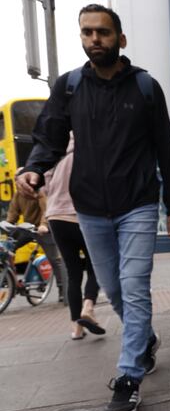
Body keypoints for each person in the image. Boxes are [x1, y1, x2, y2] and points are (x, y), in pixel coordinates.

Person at [16, 4, 170, 411]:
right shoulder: (70, 86)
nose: (95, 39)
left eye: (103, 32)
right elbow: (50, 136)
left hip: (138, 204)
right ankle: (144, 340)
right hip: (89, 208)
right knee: (112, 288)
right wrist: (34, 168)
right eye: (88, 32)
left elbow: (166, 149)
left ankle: (128, 378)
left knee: (134, 286)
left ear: (120, 39)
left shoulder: (145, 87)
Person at [43, 133, 105, 340]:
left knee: (73, 272)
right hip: (82, 217)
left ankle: (76, 329)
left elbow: (45, 187)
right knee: (95, 265)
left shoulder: (56, 158)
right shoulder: (89, 153)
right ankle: (88, 307)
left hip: (56, 218)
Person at [6, 188, 67, 302]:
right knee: (7, 247)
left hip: (43, 229)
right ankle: (11, 280)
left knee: (54, 259)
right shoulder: (18, 193)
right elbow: (13, 212)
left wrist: (43, 225)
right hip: (28, 228)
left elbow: (46, 210)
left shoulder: (39, 191)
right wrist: (8, 224)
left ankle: (62, 289)